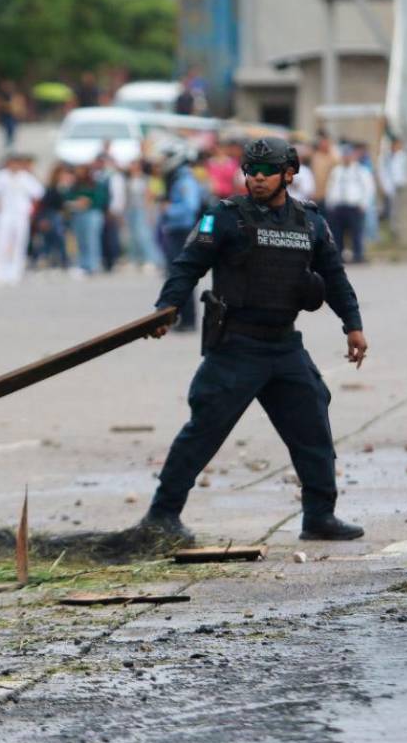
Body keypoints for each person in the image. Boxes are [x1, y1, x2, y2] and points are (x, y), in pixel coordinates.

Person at [140, 137, 369, 542]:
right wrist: (167, 307)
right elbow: (186, 266)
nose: (257, 178)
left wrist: (352, 324)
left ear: (289, 173)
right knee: (204, 431)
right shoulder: (225, 217)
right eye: (251, 171)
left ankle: (319, 517)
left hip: (284, 346)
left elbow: (334, 277)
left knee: (314, 429)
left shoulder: (311, 223)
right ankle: (162, 516)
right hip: (236, 347)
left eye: (267, 171)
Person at [156, 145, 202, 329]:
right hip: (174, 230)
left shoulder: (184, 179)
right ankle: (180, 317)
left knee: (183, 274)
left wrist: (169, 210)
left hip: (182, 231)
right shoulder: (175, 177)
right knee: (174, 275)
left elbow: (190, 207)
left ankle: (188, 319)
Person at [0, 153, 45, 286]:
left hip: (20, 215)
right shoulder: (0, 176)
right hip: (5, 214)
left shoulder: (26, 177)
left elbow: (39, 192)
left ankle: (15, 272)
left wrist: (30, 208)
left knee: (19, 243)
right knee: (1, 243)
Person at [325, 143, 375, 263]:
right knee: (337, 233)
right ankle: (339, 256)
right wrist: (330, 203)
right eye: (345, 155)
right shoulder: (337, 171)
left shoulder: (360, 171)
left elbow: (369, 188)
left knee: (356, 233)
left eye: (349, 155)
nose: (346, 157)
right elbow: (331, 187)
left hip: (355, 206)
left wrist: (364, 204)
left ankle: (358, 255)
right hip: (339, 206)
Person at [65, 163, 108, 275]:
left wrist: (88, 202)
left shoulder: (96, 184)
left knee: (91, 240)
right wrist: (77, 202)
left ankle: (93, 264)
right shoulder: (75, 185)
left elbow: (100, 199)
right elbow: (68, 198)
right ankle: (83, 264)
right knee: (81, 241)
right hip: (78, 214)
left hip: (92, 214)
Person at [124, 158, 163, 268]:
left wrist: (149, 211)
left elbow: (150, 195)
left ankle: (151, 259)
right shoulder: (129, 180)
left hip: (143, 209)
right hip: (131, 209)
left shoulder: (146, 179)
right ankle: (135, 259)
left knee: (144, 235)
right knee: (133, 236)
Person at [33, 164, 72, 269]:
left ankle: (61, 260)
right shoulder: (52, 188)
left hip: (64, 218)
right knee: (51, 239)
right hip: (52, 217)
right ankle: (44, 260)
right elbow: (47, 205)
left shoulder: (70, 188)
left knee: (59, 240)